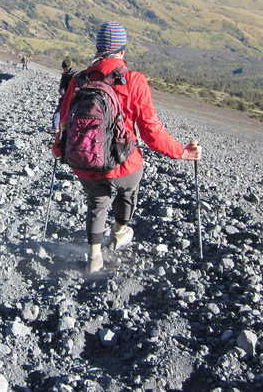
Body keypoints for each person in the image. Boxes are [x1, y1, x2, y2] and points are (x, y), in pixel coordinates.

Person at [52, 21, 201, 274]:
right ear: (123, 49)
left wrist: (58, 150)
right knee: (129, 188)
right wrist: (181, 152)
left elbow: (64, 121)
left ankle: (94, 258)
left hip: (85, 160)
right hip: (123, 164)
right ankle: (120, 231)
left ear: (98, 47)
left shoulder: (79, 79)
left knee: (97, 201)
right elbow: (151, 132)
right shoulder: (133, 79)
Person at [52, 58, 75, 131]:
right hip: (75, 96)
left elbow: (62, 88)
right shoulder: (76, 74)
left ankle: (56, 127)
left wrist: (63, 94)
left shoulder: (64, 75)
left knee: (58, 112)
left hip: (66, 97)